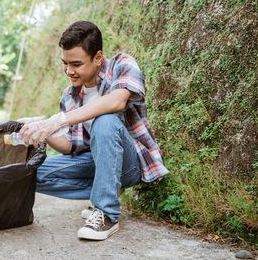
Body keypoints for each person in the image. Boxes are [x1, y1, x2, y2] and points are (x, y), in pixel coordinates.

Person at [20, 21, 169, 241]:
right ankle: (104, 189)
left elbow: (117, 101)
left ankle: (106, 213)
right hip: (95, 160)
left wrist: (59, 120)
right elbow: (72, 146)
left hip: (130, 165)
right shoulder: (69, 95)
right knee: (29, 172)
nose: (69, 71)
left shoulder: (122, 64)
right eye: (65, 63)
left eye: (76, 64)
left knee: (105, 120)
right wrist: (43, 131)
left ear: (98, 57)